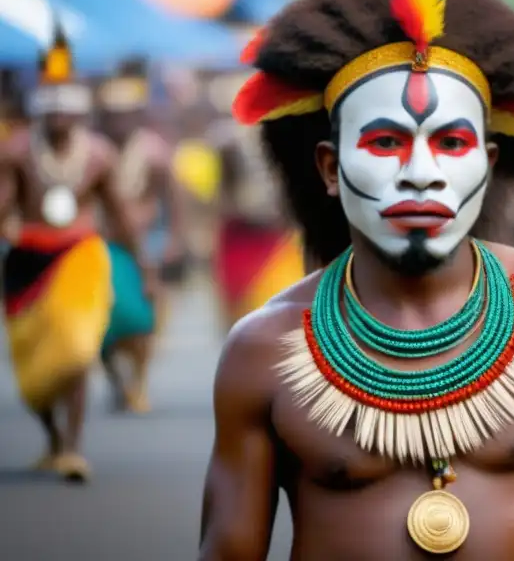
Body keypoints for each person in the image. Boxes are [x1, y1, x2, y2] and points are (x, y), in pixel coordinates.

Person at [198, 0, 514, 560]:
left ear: (489, 164)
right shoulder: (264, 350)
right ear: (329, 169)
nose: (421, 173)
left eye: (451, 143)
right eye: (386, 142)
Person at [0, 25, 155, 482]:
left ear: (81, 110)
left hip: (81, 258)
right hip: (27, 260)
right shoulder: (17, 153)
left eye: (68, 105)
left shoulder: (99, 156)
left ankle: (72, 446)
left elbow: (122, 218)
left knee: (77, 348)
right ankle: (52, 439)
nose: (60, 114)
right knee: (34, 360)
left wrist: (144, 268)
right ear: (39, 109)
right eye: (51, 105)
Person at [94, 57, 187, 413]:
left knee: (142, 318)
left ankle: (138, 381)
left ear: (137, 115)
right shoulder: (93, 151)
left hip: (146, 241)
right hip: (101, 243)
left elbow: (173, 200)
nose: (118, 121)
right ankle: (117, 379)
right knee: (101, 319)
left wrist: (175, 239)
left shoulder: (154, 153)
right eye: (112, 114)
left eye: (125, 113)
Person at [205, 66, 304, 332]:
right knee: (242, 316)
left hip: (278, 235)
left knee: (281, 313)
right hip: (242, 235)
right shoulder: (226, 141)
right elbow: (222, 194)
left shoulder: (284, 136)